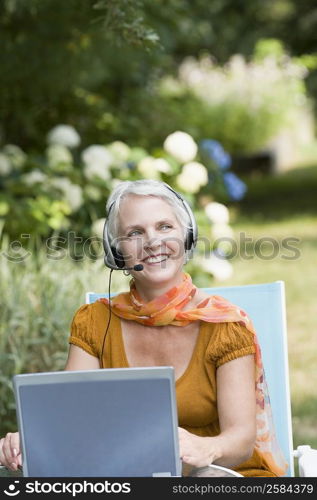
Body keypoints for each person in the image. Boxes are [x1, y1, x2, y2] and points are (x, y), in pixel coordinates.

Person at [0, 179, 287, 476]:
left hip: (219, 473)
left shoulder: (225, 326)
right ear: (117, 252)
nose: (152, 242)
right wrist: (32, 441)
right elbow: (72, 420)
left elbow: (240, 441)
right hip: (129, 477)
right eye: (135, 232)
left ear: (186, 235)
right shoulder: (94, 322)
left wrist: (207, 448)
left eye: (165, 227)